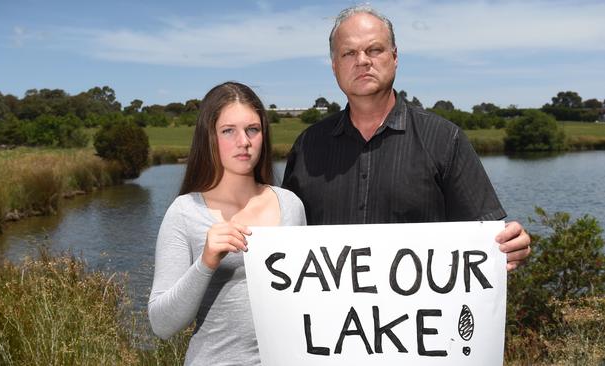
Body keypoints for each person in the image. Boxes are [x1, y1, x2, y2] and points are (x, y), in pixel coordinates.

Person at [282, 5, 531, 270]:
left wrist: (510, 246)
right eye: (348, 53)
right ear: (334, 66)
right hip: (330, 312)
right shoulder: (307, 146)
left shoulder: (445, 140)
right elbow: (283, 245)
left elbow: (486, 238)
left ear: (395, 56)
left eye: (374, 50)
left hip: (423, 312)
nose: (362, 60)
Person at [148, 81, 306, 365]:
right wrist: (206, 262)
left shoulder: (291, 205)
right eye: (228, 131)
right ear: (209, 137)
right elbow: (161, 324)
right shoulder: (184, 213)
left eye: (252, 130)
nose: (243, 141)